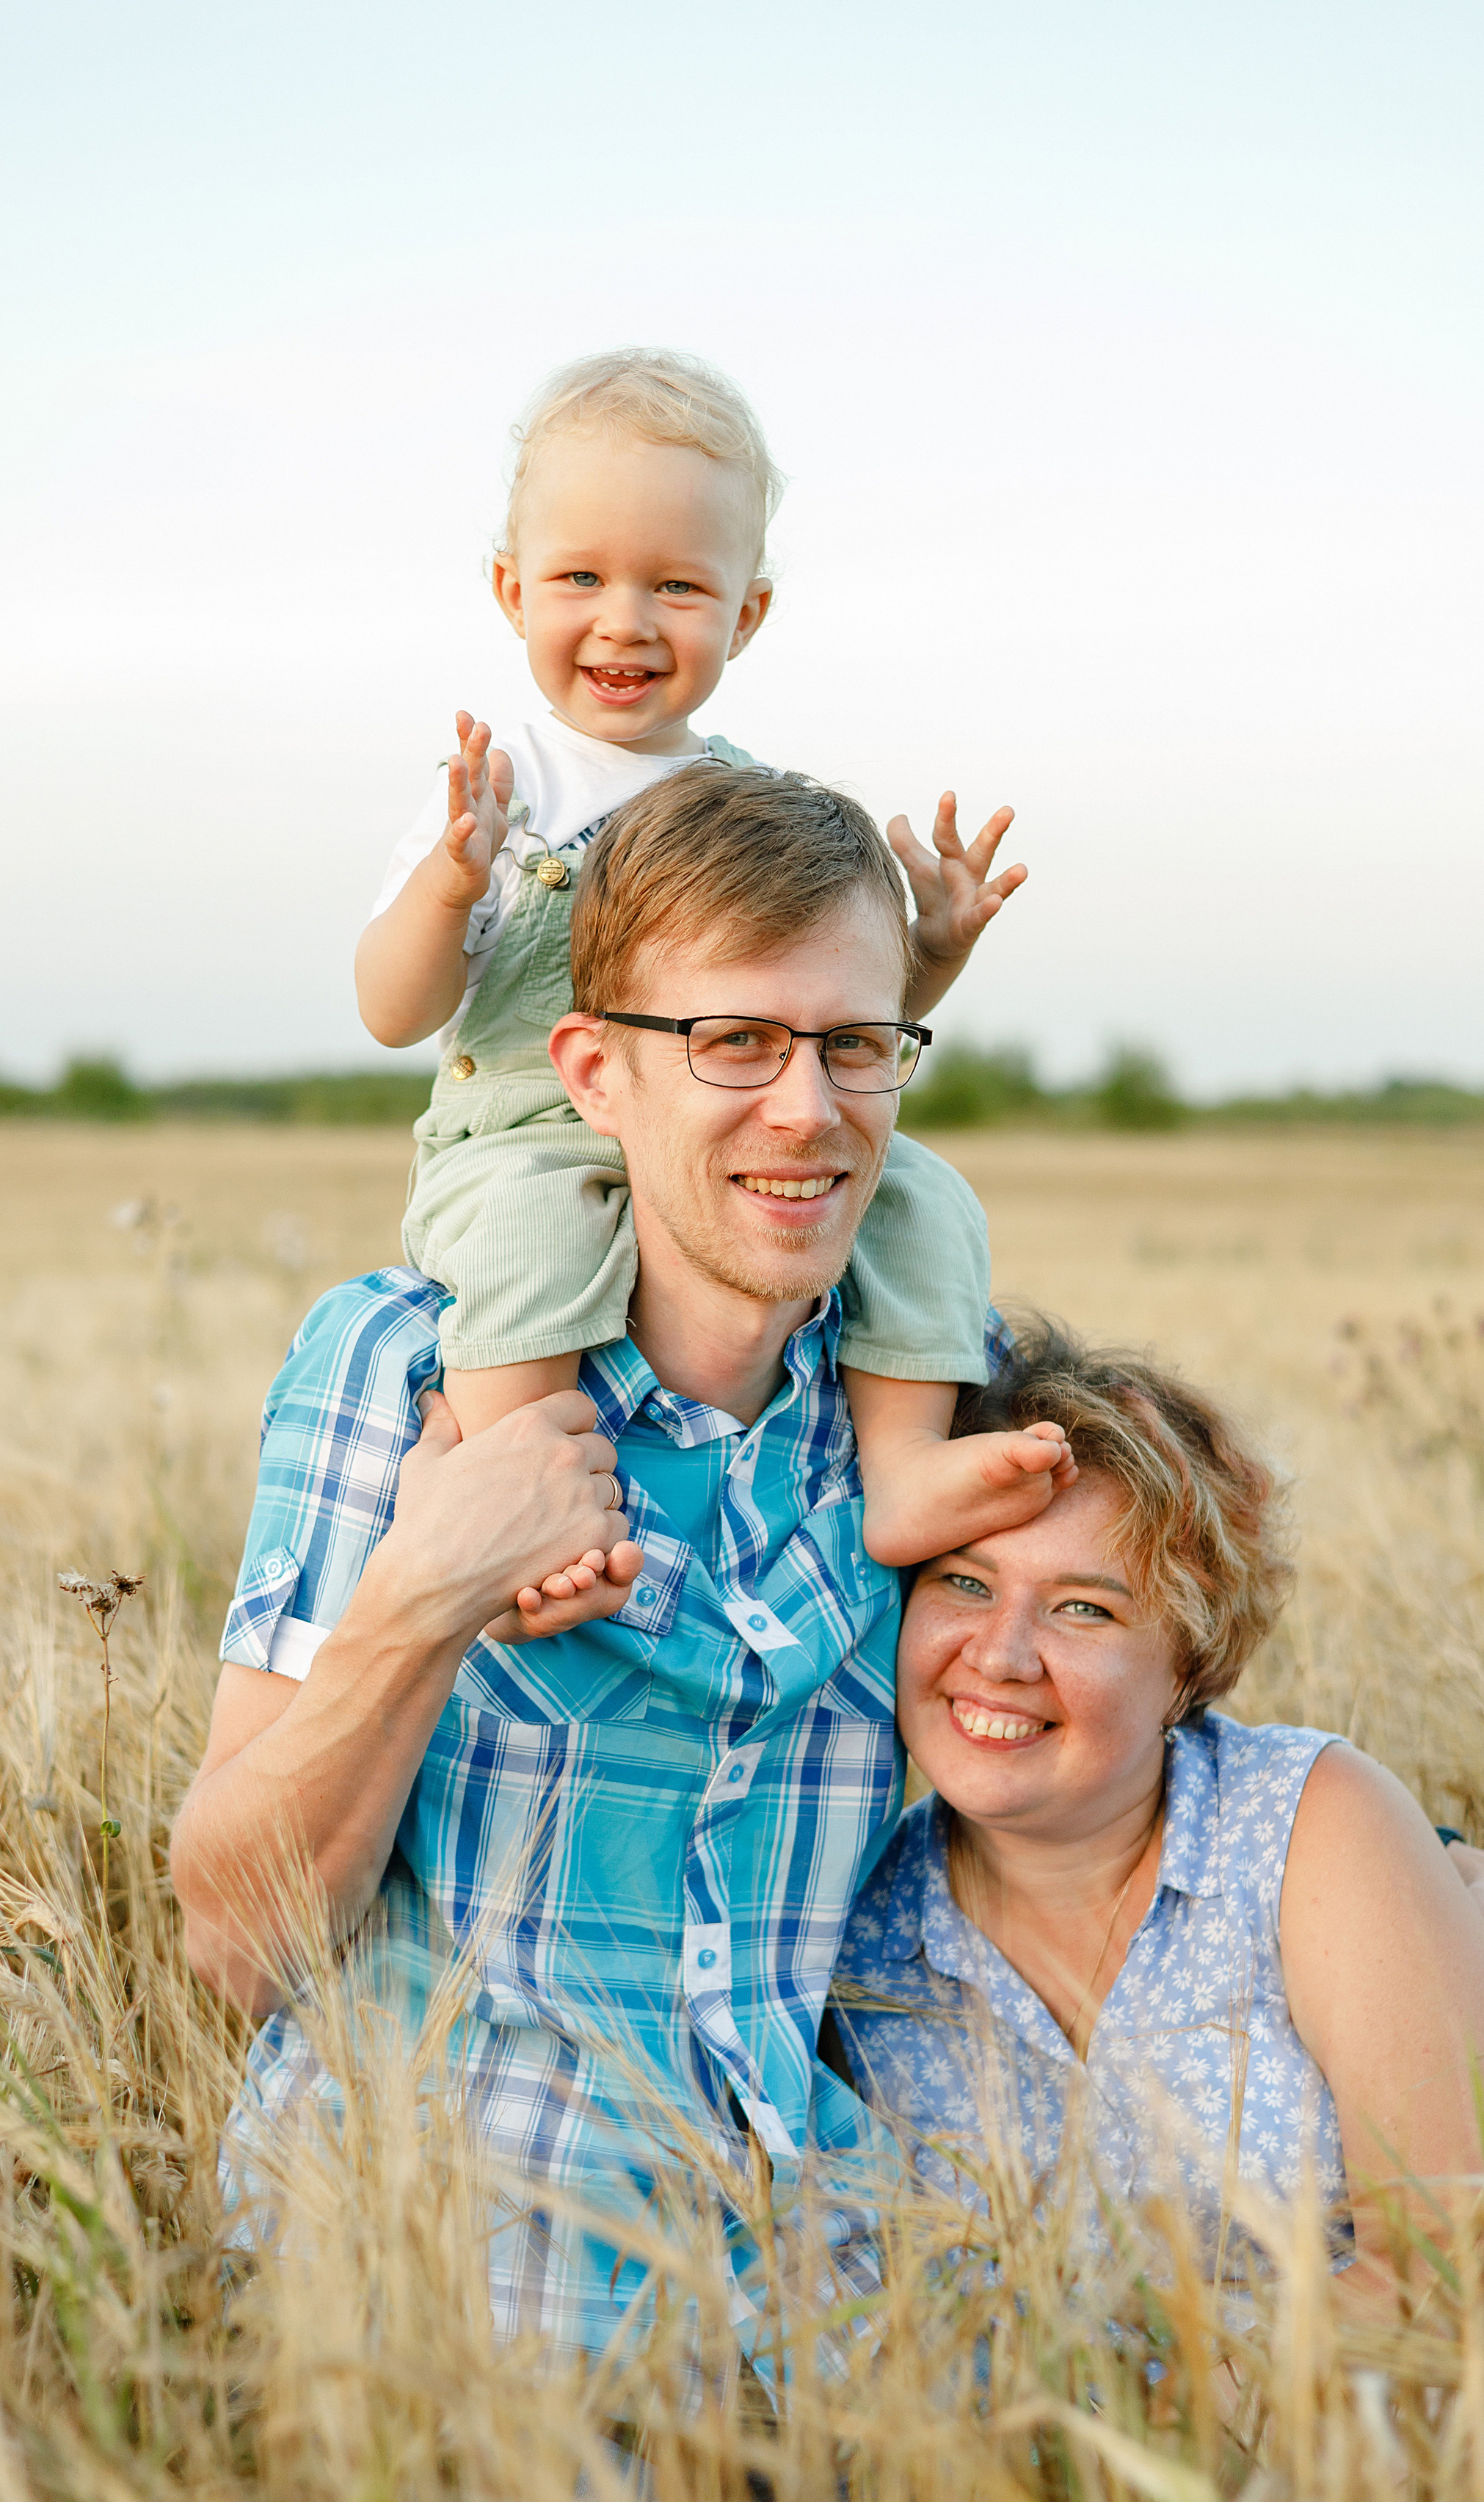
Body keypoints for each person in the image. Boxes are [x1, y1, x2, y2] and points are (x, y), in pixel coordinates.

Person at [170, 764, 1074, 2366]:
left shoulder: (930, 1405)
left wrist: (1428, 1860)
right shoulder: (397, 1369)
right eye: (732, 1040)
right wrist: (425, 1593)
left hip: (826, 2283)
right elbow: (238, 1947)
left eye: (853, 1044)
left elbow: (1116, 1740)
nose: (807, 1109)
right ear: (590, 1072)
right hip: (439, 2272)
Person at [352, 347, 1040, 1580]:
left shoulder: (747, 802)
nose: (625, 619)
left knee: (924, 1195)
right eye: (580, 577)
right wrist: (454, 883)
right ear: (512, 590)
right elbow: (391, 1012)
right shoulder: (494, 793)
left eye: (676, 584)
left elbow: (821, 1027)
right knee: (530, 1235)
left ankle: (903, 1466)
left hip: (725, 1132)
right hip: (525, 1134)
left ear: (748, 613)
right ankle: (515, 1504)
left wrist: (928, 952)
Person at [829, 1319, 1484, 2315]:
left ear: (1190, 1663)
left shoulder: (1306, 1829)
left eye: (1085, 1610)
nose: (1002, 1654)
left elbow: (1471, 2276)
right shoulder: (847, 1934)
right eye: (964, 1583)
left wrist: (1156, 2434)